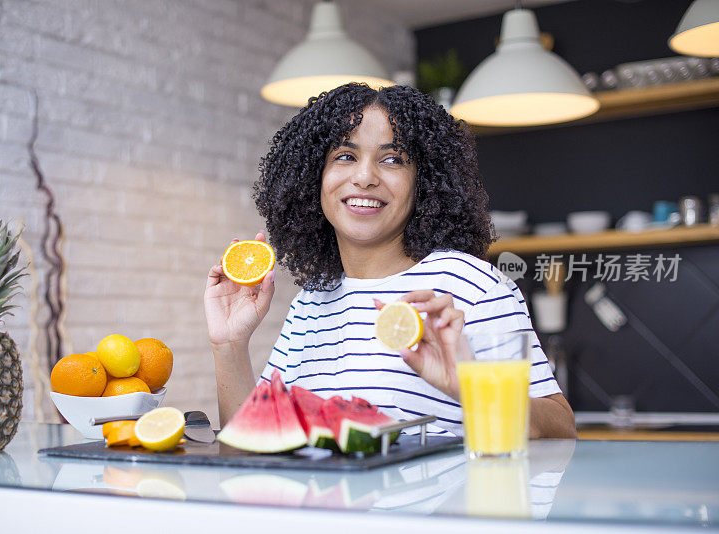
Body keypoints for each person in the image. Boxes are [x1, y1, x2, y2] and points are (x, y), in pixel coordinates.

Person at [204, 83, 575, 439]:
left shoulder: (470, 284)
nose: (364, 177)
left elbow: (561, 427)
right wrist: (230, 346)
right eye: (345, 156)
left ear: (423, 182)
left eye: (392, 159)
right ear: (314, 177)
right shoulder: (311, 302)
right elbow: (252, 439)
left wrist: (469, 386)